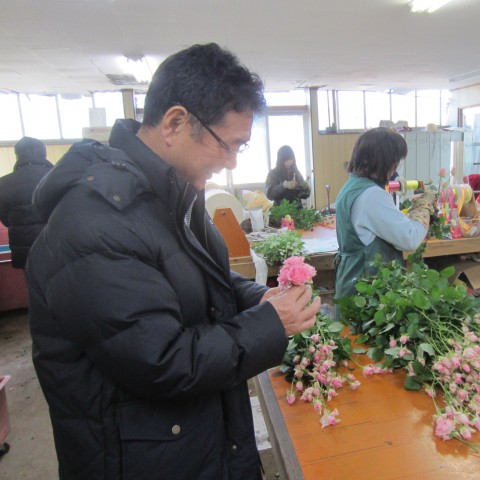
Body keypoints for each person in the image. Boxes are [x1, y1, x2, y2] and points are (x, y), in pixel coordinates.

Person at [25, 43, 320, 480]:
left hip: (191, 439)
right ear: (176, 123)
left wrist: (262, 297)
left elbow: (203, 284)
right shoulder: (95, 223)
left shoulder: (172, 194)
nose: (232, 162)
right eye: (229, 145)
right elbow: (162, 362)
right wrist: (268, 324)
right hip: (141, 458)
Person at [334, 127, 429, 310]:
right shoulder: (372, 195)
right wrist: (424, 206)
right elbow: (410, 238)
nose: (396, 168)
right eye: (395, 162)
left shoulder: (352, 186)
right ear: (385, 161)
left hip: (352, 281)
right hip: (367, 291)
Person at [0, 137, 53, 269]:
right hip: (56, 245)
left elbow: (6, 220)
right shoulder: (57, 177)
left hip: (25, 250)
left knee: (34, 286)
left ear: (17, 155)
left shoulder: (4, 183)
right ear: (44, 153)